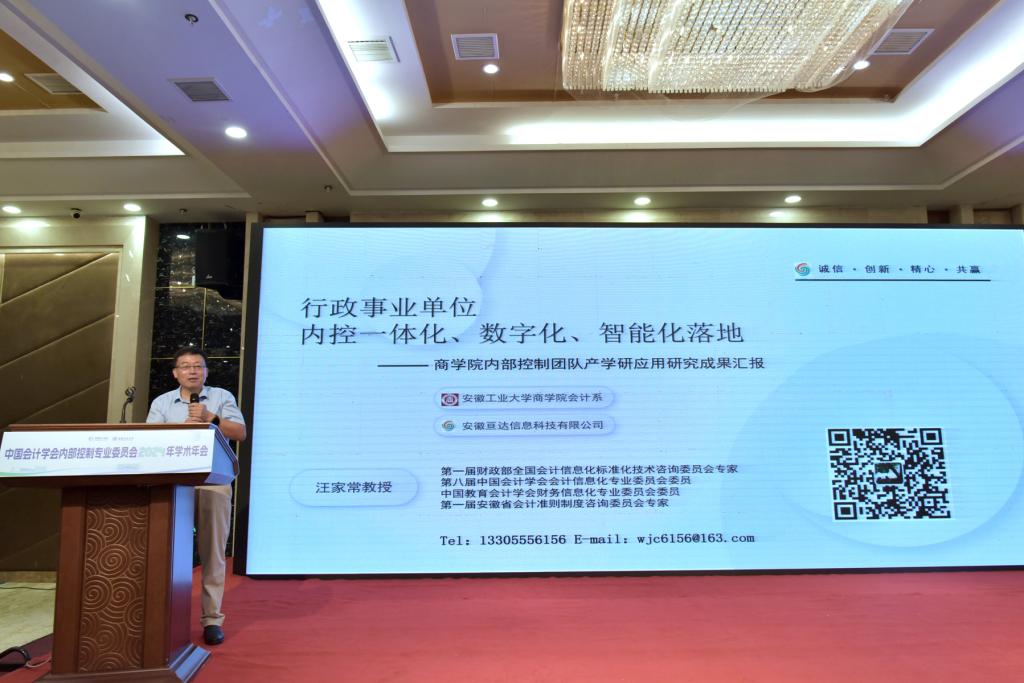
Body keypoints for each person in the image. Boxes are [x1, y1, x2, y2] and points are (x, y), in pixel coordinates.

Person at [146, 347, 246, 646]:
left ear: (206, 371)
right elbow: (149, 439)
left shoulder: (221, 397)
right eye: (186, 366)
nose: (192, 371)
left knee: (212, 552)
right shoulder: (162, 403)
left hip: (212, 482)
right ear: (175, 373)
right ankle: (161, 617)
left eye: (198, 366)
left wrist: (211, 419)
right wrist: (181, 430)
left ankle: (212, 619)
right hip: (172, 481)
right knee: (164, 550)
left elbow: (239, 432)